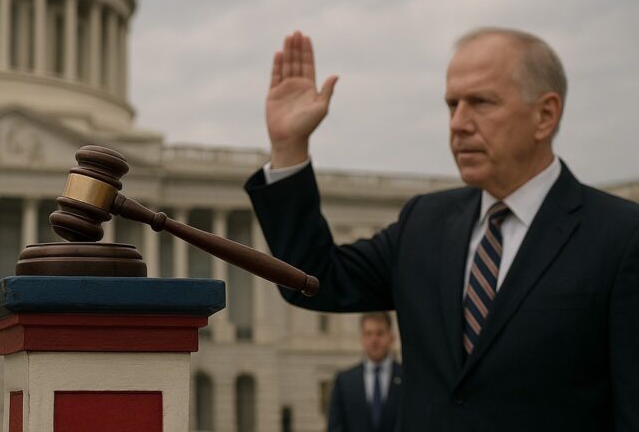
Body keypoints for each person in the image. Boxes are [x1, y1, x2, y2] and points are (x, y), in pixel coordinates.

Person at [246, 28, 639, 431]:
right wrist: (289, 147)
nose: (458, 123)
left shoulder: (622, 237)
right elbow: (314, 279)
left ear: (545, 115)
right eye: (452, 104)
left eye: (481, 102)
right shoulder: (424, 222)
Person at [327, 313, 402, 432]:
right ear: (362, 338)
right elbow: (335, 426)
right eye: (368, 333)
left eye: (380, 333)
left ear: (391, 337)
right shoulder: (344, 381)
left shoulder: (407, 378)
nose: (374, 340)